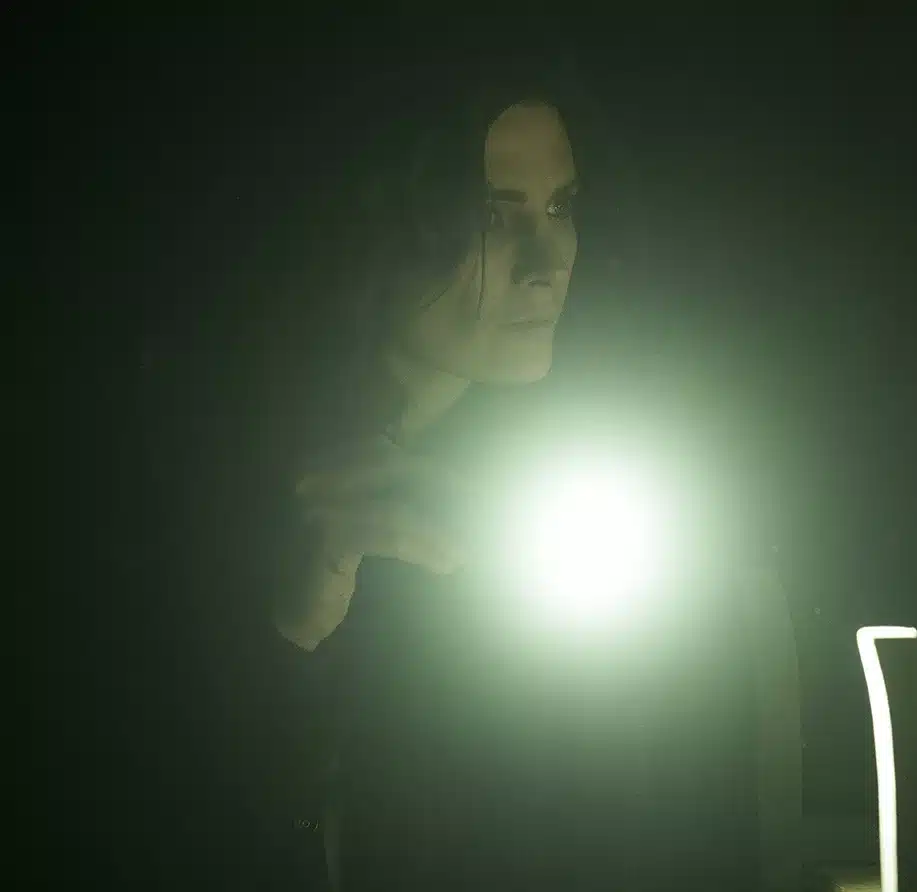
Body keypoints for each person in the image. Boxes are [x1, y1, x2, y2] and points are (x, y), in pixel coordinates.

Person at [171, 61, 752, 892]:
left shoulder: (587, 479)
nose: (547, 263)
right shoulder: (217, 484)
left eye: (561, 207)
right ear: (374, 228)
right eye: (491, 216)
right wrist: (285, 640)